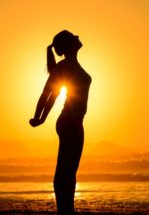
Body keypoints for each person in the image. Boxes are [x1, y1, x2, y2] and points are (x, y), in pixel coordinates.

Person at [29, 30, 91, 214]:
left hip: (76, 123)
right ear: (68, 45)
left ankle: (67, 208)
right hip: (68, 122)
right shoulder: (63, 67)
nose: (78, 37)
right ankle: (64, 210)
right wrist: (39, 117)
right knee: (65, 170)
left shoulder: (72, 65)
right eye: (74, 37)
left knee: (70, 170)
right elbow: (48, 94)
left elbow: (54, 95)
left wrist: (42, 117)